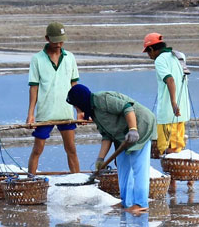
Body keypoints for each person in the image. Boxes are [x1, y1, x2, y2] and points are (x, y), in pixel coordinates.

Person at [66, 84, 156, 214]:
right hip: (122, 136)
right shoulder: (94, 112)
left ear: (81, 101)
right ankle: (127, 201)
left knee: (138, 166)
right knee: (122, 166)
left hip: (140, 126)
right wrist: (100, 159)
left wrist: (133, 129)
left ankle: (141, 203)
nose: (76, 108)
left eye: (76, 105)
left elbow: (127, 107)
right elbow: (106, 136)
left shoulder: (102, 99)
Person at [26, 22, 81, 174]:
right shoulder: (37, 59)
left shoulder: (70, 57)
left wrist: (79, 109)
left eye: (61, 40)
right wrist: (31, 114)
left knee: (71, 149)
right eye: (55, 40)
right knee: (38, 149)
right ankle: (31, 180)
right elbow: (34, 87)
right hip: (45, 113)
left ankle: (79, 180)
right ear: (47, 39)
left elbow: (74, 86)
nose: (58, 44)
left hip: (65, 112)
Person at [142, 32, 193, 191]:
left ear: (151, 49)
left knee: (167, 148)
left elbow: (169, 80)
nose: (149, 56)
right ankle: (189, 181)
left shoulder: (160, 60)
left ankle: (172, 184)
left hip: (169, 112)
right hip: (182, 111)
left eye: (148, 52)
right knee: (178, 145)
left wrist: (172, 102)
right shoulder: (178, 56)